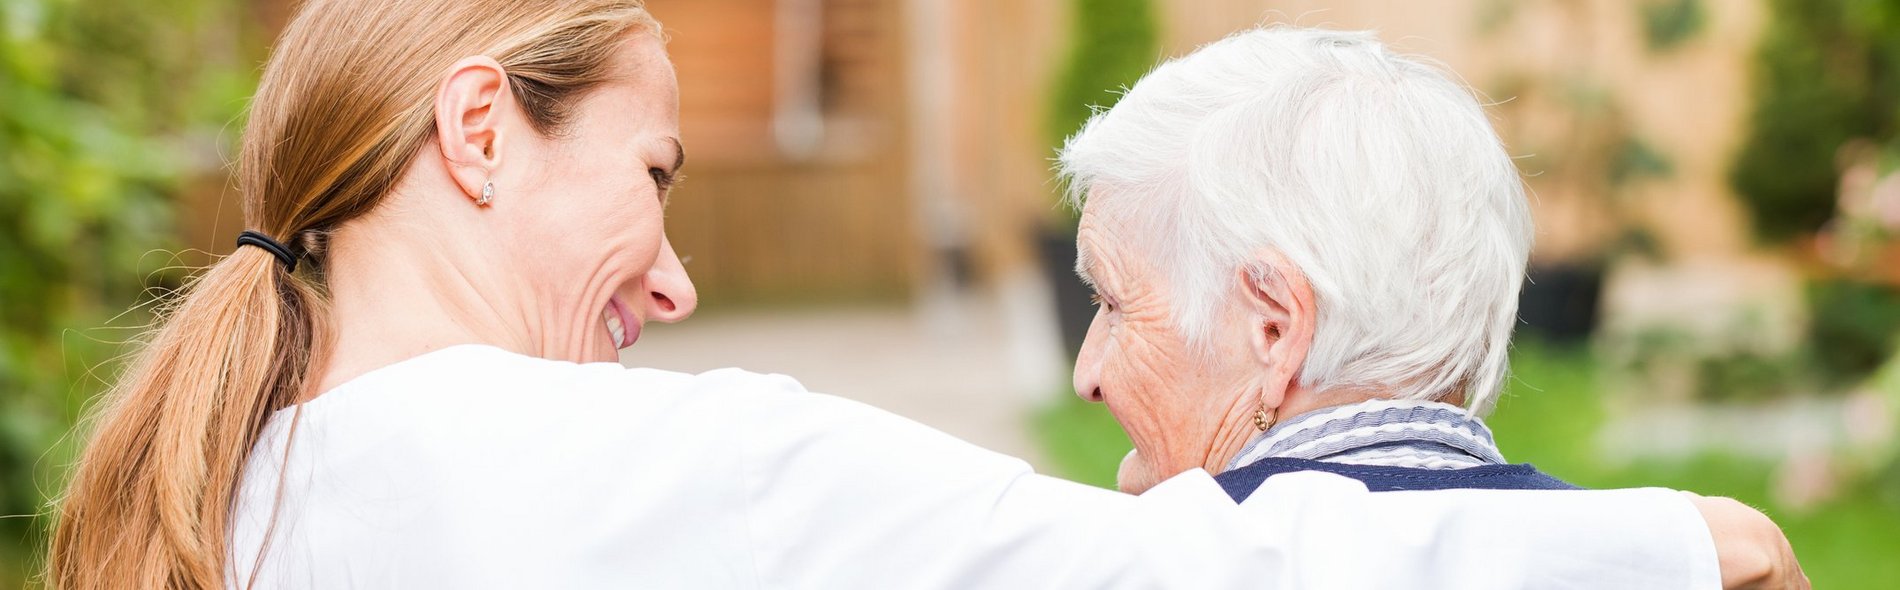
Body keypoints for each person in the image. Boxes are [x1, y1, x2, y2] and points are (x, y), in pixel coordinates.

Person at [46, 1, 1801, 588]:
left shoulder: (224, 499)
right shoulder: (622, 473)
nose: (674, 276)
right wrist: (1663, 538)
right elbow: (1168, 572)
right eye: (654, 176)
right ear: (482, 126)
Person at [1059, 26, 1581, 498]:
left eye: (1112, 303)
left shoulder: (1158, 566)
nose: (1088, 376)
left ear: (1274, 328)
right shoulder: (1643, 553)